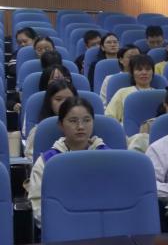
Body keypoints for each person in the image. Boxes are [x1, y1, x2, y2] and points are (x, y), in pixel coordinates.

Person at [28, 97, 109, 229]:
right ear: (61, 125)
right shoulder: (46, 162)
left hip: (105, 228)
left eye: (87, 120)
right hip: (62, 231)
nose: (80, 126)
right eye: (73, 121)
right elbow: (37, 206)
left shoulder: (109, 157)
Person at [24, 79, 77, 160]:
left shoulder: (84, 127)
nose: (64, 104)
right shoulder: (39, 131)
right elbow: (32, 160)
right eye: (58, 99)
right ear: (49, 102)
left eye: (69, 100)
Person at [105, 54, 157, 123]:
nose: (144, 72)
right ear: (132, 73)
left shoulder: (159, 95)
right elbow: (109, 117)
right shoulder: (122, 92)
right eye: (139, 69)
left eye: (148, 69)